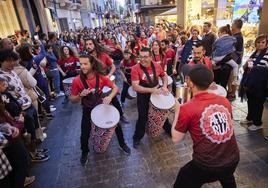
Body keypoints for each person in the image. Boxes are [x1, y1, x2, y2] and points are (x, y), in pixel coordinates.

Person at [172, 64, 240, 188]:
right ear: (211, 82)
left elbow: (176, 138)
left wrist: (177, 111)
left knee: (184, 177)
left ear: (190, 83)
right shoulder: (224, 101)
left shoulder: (187, 108)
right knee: (227, 176)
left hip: (207, 165)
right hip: (233, 158)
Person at [70, 54, 131, 166]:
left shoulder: (101, 77)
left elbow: (115, 88)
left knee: (116, 125)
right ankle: (84, 152)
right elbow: (72, 99)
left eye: (85, 64)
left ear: (92, 64)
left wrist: (110, 97)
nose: (82, 66)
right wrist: (80, 95)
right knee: (84, 132)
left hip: (102, 106)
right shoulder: (76, 80)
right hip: (88, 109)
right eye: (81, 64)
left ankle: (122, 144)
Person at [131, 47, 168, 148]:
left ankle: (168, 130)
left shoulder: (157, 65)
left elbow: (164, 76)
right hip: (143, 97)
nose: (143, 59)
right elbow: (135, 87)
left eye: (146, 57)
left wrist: (164, 86)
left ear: (151, 57)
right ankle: (137, 138)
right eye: (141, 57)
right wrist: (152, 90)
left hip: (156, 94)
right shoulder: (135, 68)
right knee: (142, 118)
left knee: (161, 113)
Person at [240, 34, 268, 132]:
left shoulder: (267, 54)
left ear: (266, 43)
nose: (260, 44)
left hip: (260, 85)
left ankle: (257, 123)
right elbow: (245, 68)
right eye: (258, 42)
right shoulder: (254, 53)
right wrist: (247, 64)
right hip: (250, 83)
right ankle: (250, 118)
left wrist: (256, 68)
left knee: (258, 103)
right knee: (250, 101)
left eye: (263, 42)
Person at [212, 25, 238, 97]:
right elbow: (235, 45)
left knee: (217, 80)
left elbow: (213, 47)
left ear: (223, 32)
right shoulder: (232, 38)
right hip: (226, 60)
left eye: (219, 32)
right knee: (235, 66)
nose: (218, 34)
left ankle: (216, 94)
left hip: (217, 59)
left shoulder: (218, 40)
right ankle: (235, 79)